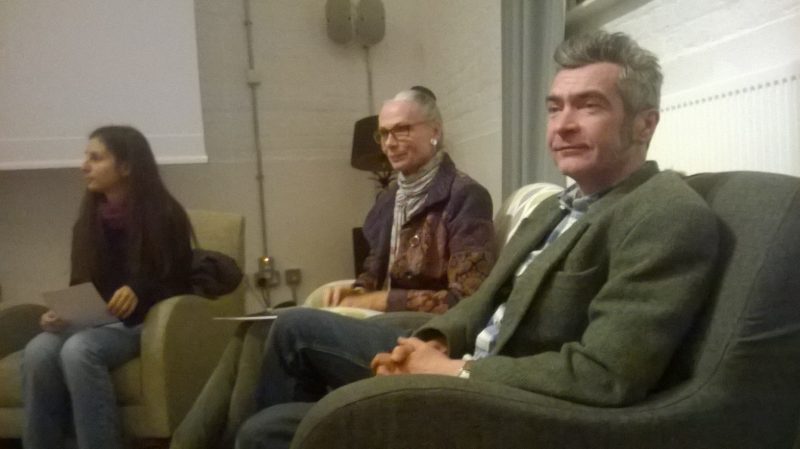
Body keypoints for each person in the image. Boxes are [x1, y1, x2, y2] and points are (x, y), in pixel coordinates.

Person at [236, 30, 720, 449]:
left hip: (503, 403)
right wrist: (427, 342)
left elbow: (605, 375)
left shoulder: (664, 214)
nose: (563, 124)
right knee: (287, 339)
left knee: (267, 431)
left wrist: (447, 371)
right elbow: (482, 301)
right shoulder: (555, 208)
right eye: (555, 108)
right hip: (464, 364)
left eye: (589, 106)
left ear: (645, 123)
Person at [22, 125, 194, 449]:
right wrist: (61, 313)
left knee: (79, 350)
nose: (84, 166)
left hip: (142, 322)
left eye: (96, 158)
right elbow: (80, 284)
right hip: (97, 321)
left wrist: (138, 291)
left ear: (126, 166)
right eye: (86, 157)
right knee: (38, 351)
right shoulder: (88, 221)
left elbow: (178, 281)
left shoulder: (165, 215)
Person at [322, 86, 496, 313]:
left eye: (402, 129)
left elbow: (467, 300)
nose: (389, 144)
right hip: (381, 318)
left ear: (435, 132)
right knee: (304, 312)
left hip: (426, 326)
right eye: (384, 133)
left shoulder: (466, 196)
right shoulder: (388, 198)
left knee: (295, 324)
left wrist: (376, 301)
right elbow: (374, 269)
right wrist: (359, 291)